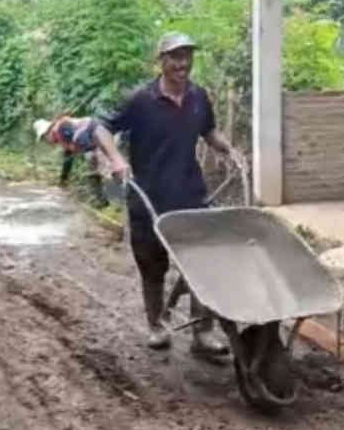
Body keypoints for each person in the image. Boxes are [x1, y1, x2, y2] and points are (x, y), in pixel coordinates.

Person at [100, 32, 246, 364]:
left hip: (190, 195)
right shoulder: (141, 99)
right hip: (148, 199)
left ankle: (203, 333)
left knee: (203, 263)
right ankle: (157, 326)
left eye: (187, 56)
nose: (182, 63)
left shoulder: (198, 96)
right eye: (175, 57)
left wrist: (227, 149)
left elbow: (208, 130)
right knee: (152, 267)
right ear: (161, 61)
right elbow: (101, 127)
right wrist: (116, 159)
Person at [34, 116, 130, 195]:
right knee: (96, 172)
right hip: (97, 141)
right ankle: (110, 201)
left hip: (102, 137)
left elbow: (82, 137)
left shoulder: (62, 127)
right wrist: (63, 181)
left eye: (44, 138)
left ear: (47, 133)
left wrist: (95, 156)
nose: (47, 141)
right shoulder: (62, 135)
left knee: (108, 170)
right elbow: (68, 160)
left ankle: (120, 200)